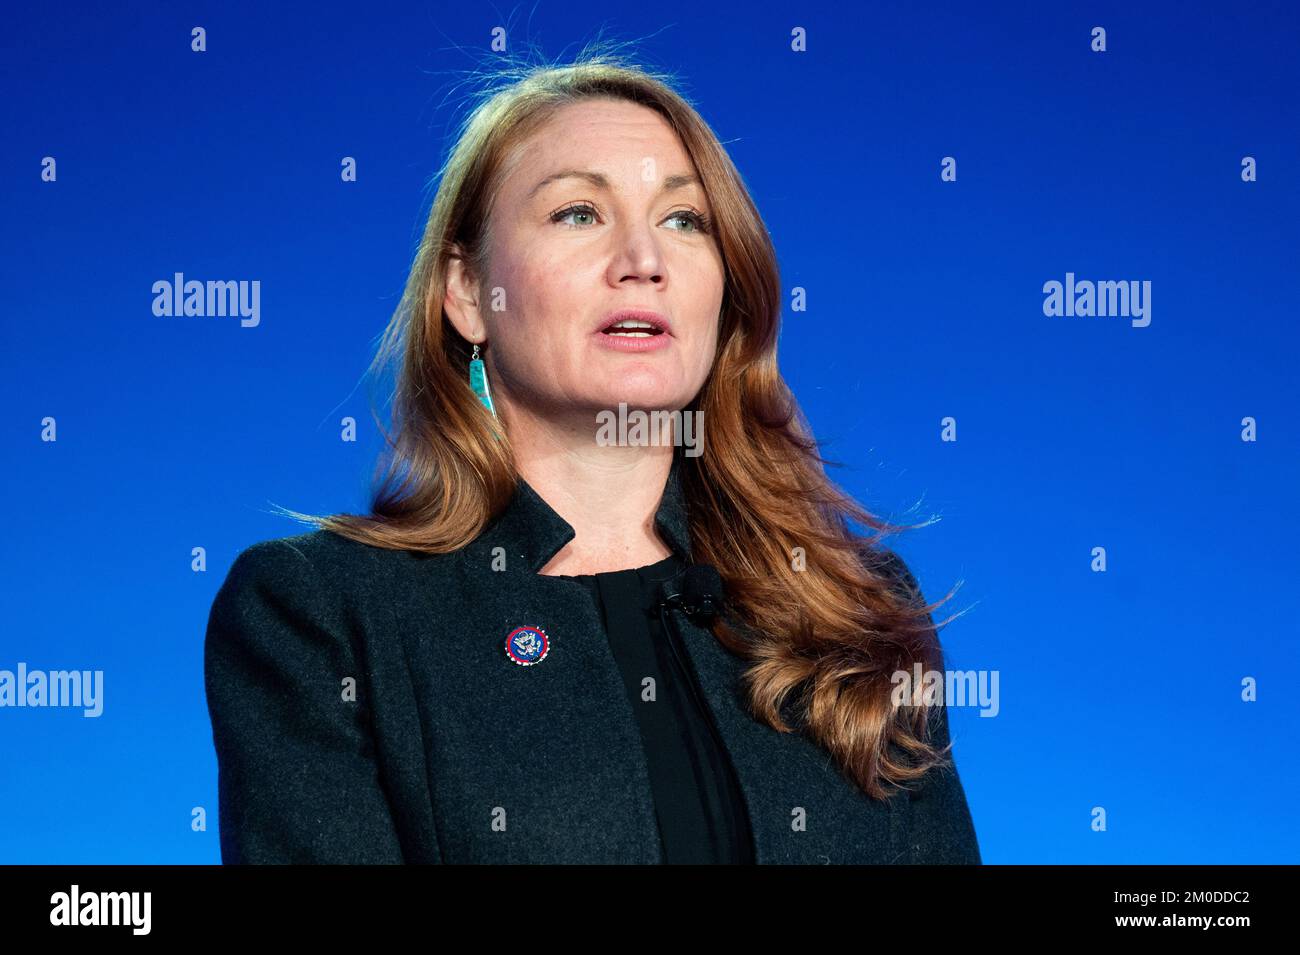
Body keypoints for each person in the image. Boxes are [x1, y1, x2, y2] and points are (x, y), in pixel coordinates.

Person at [203, 53, 980, 865]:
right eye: (579, 212)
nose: (644, 258)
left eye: (685, 220)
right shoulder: (321, 614)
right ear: (468, 293)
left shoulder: (857, 608)